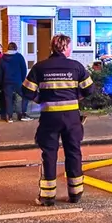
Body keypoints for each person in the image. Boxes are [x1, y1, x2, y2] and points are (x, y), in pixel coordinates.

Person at [22, 34, 93, 206]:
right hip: (72, 118)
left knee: (49, 155)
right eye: (70, 47)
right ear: (65, 47)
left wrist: (40, 100)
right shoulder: (76, 66)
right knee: (73, 153)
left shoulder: (40, 67)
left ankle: (47, 197)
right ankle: (75, 194)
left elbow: (26, 92)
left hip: (49, 118)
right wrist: (77, 97)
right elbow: (90, 89)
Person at [0, 42, 30, 122]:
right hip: (17, 81)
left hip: (6, 82)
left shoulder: (2, 58)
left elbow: (0, 72)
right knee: (26, 95)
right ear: (16, 48)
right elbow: (24, 69)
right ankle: (23, 114)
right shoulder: (19, 57)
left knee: (8, 99)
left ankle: (9, 117)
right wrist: (23, 80)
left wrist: (1, 82)